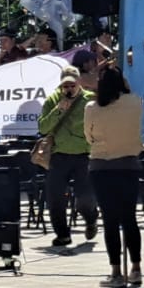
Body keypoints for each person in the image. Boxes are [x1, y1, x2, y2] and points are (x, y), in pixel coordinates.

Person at [85, 65, 144, 288]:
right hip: (129, 165)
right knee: (129, 218)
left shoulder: (92, 107)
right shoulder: (135, 102)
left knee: (110, 220)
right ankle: (136, 268)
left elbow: (88, 137)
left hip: (101, 166)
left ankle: (116, 271)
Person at [38, 66, 97, 247]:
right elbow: (42, 128)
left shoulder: (90, 100)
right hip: (59, 155)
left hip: (83, 155)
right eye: (65, 86)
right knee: (54, 197)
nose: (69, 89)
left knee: (85, 197)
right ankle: (62, 234)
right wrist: (58, 110)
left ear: (78, 83)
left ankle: (91, 218)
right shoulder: (53, 100)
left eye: (72, 85)